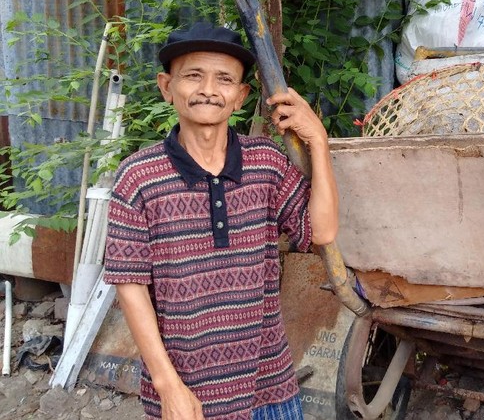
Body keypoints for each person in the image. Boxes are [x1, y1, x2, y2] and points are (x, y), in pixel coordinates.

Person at [103, 21, 338, 420]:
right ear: (166, 86)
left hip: (268, 384)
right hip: (186, 389)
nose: (209, 90)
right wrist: (168, 386)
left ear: (241, 95)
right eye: (193, 75)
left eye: (224, 79)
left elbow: (323, 231)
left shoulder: (265, 162)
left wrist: (318, 140)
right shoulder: (138, 177)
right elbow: (130, 286)